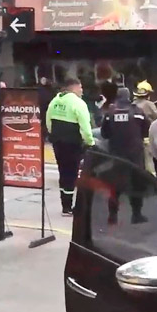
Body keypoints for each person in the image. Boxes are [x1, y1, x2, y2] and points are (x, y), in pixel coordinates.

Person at [46, 76, 95, 216]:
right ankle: (69, 207)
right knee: (72, 173)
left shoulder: (55, 101)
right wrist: (90, 142)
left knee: (63, 172)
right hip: (72, 142)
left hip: (57, 142)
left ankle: (65, 205)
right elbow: (85, 127)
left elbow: (48, 121)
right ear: (74, 87)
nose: (82, 91)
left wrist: (53, 135)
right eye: (80, 88)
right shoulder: (78, 103)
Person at [100, 87, 150, 224]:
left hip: (116, 154)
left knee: (115, 185)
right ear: (129, 97)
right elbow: (147, 130)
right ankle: (136, 215)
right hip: (135, 155)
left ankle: (112, 216)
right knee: (136, 184)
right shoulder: (137, 111)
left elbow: (104, 133)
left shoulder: (110, 112)